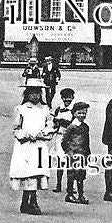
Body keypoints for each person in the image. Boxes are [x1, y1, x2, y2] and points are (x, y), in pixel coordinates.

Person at [9, 78, 55, 215]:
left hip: (39, 145)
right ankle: (27, 202)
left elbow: (50, 126)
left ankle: (32, 201)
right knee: (27, 171)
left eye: (38, 93)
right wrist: (26, 134)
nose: (35, 96)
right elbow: (16, 128)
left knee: (37, 171)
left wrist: (43, 133)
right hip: (26, 145)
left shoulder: (45, 110)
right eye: (32, 93)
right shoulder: (21, 109)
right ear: (26, 94)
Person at [61, 101, 91, 205]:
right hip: (72, 155)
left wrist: (88, 154)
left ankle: (81, 195)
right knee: (71, 174)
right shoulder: (71, 127)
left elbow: (87, 142)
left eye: (84, 113)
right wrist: (69, 152)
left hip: (82, 155)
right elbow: (64, 141)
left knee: (81, 175)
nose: (82, 115)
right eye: (80, 113)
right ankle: (69, 194)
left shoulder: (85, 126)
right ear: (74, 114)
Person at [50, 87, 75, 193]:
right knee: (60, 161)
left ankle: (71, 186)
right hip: (59, 137)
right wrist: (55, 122)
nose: (67, 100)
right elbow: (53, 123)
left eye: (69, 98)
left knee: (70, 161)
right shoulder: (58, 109)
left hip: (70, 138)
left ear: (72, 98)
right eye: (65, 98)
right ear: (62, 98)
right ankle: (58, 184)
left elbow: (73, 125)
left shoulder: (74, 110)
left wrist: (61, 121)